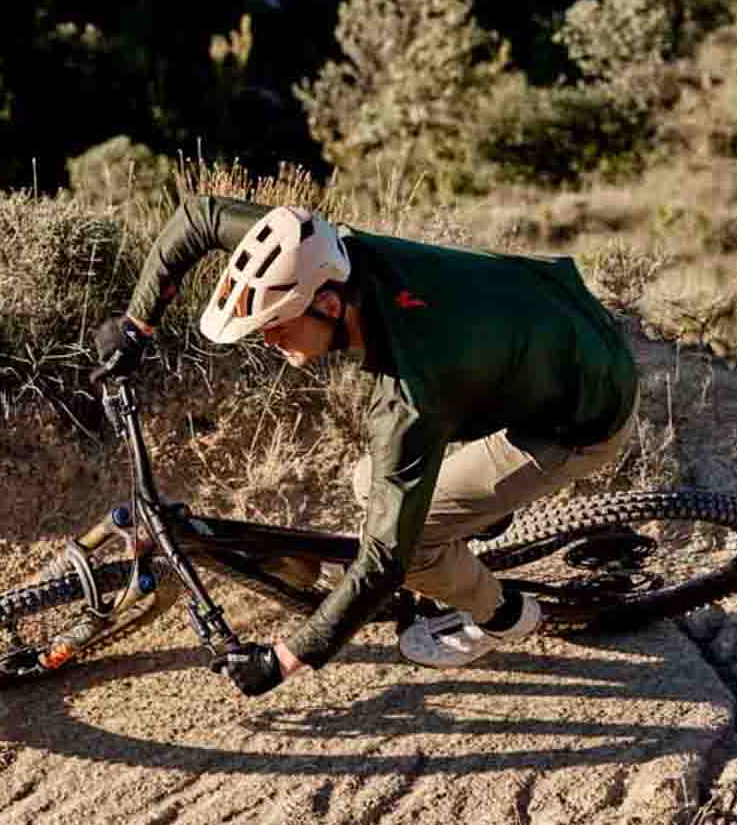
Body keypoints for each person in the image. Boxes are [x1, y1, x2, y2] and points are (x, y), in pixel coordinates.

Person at [93, 195, 638, 697]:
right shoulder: (322, 249)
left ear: (328, 305)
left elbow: (383, 563)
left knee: (415, 548)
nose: (269, 340)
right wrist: (137, 324)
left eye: (278, 326)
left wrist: (283, 659)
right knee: (367, 483)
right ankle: (473, 525)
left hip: (583, 414)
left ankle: (505, 617)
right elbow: (201, 218)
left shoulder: (409, 395)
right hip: (552, 319)